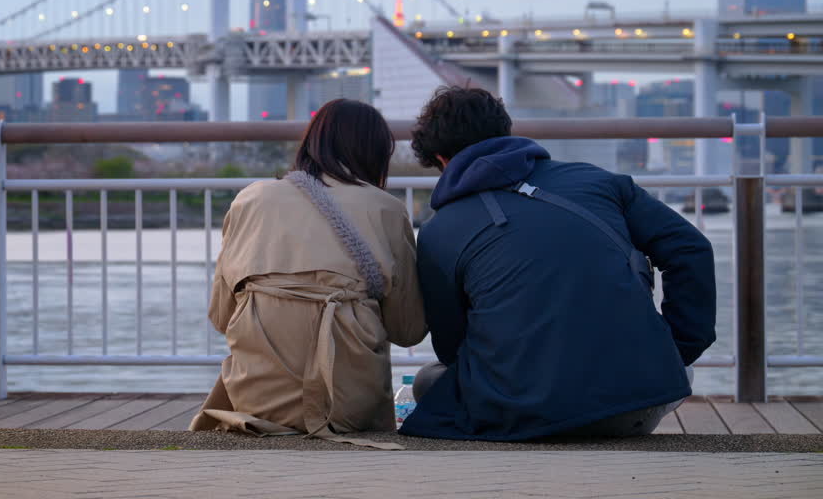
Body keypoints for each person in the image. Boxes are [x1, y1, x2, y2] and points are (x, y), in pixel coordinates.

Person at [399, 86, 716, 441]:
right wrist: (677, 347)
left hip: (526, 414)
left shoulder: (438, 232)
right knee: (671, 366)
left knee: (429, 380)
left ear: (441, 158)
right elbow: (690, 248)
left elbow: (451, 348)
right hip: (640, 400)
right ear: (505, 132)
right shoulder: (598, 181)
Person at [190, 99, 426, 443]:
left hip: (255, 404)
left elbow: (221, 317)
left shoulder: (250, 199)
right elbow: (408, 330)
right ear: (377, 153)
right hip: (350, 408)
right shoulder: (385, 208)